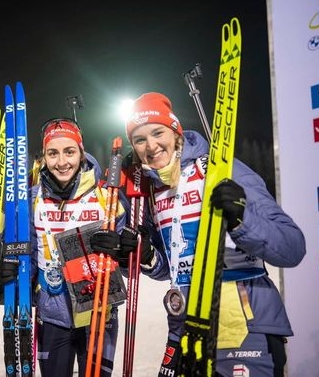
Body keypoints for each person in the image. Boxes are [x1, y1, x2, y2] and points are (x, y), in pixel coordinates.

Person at [99, 91, 305, 376]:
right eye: (140, 139)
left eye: (158, 132)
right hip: (186, 331)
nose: (151, 145)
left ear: (176, 132)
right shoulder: (150, 191)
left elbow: (292, 247)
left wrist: (242, 218)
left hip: (244, 327)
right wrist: (145, 256)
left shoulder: (222, 169)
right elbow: (167, 269)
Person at [8, 118, 130, 377]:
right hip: (52, 316)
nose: (61, 162)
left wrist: (121, 248)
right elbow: (25, 251)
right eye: (53, 153)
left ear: (81, 152)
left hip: (98, 311)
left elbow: (129, 253)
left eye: (69, 152)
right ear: (44, 156)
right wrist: (11, 267)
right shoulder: (32, 198)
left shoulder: (106, 195)